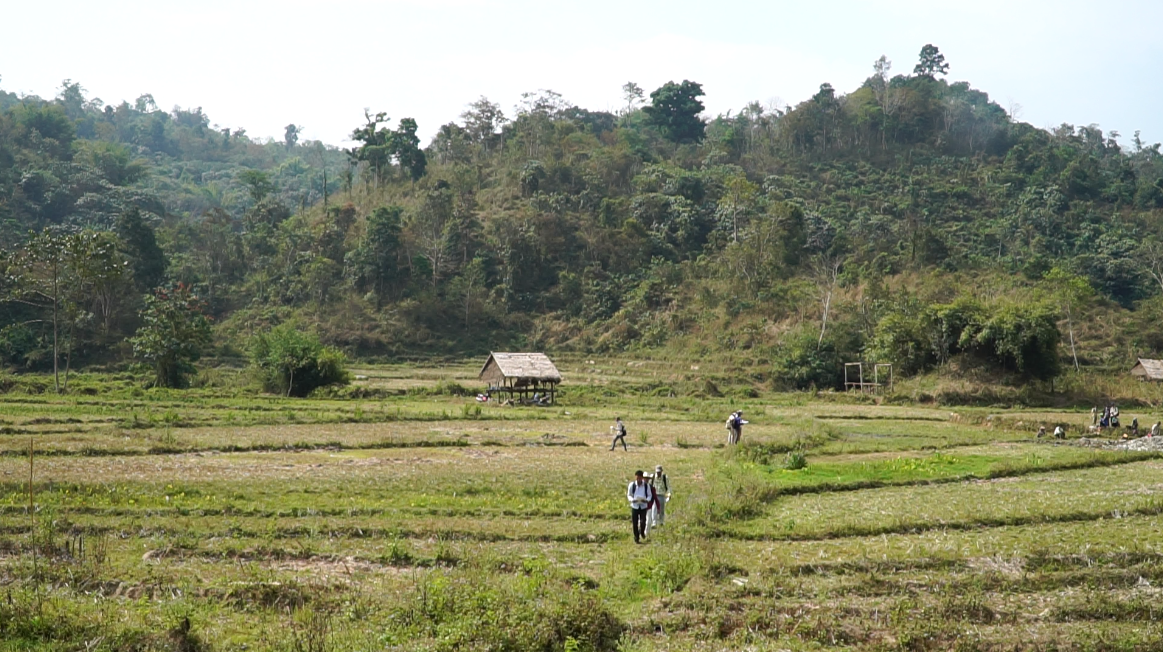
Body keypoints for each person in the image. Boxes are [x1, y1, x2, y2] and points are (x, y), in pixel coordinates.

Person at [627, 470, 653, 544]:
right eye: (637, 478)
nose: (638, 480)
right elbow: (629, 495)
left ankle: (641, 531)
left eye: (640, 478)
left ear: (642, 478)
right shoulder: (632, 485)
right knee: (635, 523)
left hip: (643, 506)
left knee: (643, 522)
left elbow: (649, 495)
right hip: (635, 506)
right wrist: (632, 500)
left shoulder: (646, 485)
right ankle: (636, 537)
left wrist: (647, 500)